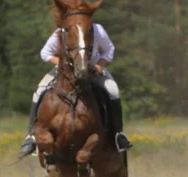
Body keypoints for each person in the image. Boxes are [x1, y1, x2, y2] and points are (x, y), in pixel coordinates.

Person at [19, 20, 133, 158]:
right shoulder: (61, 31)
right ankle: (31, 137)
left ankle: (117, 134)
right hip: (64, 72)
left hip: (92, 70)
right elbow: (45, 53)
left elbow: (109, 50)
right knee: (39, 90)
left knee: (112, 89)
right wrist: (64, 65)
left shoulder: (97, 30)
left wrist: (98, 66)